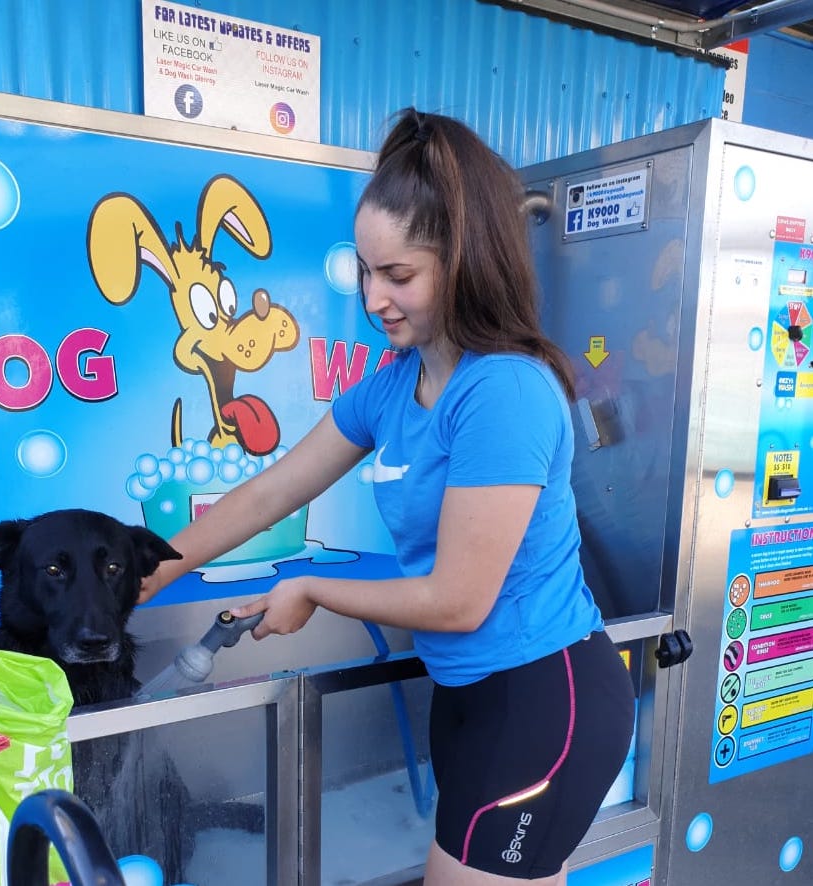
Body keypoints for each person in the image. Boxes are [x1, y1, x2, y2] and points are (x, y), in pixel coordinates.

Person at [139, 107, 636, 885]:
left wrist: (308, 587)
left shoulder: (502, 390)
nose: (374, 297)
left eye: (398, 274)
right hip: (471, 698)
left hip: (545, 699)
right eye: (367, 271)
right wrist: (152, 569)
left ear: (464, 260)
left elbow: (459, 600)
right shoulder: (393, 388)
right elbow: (269, 491)